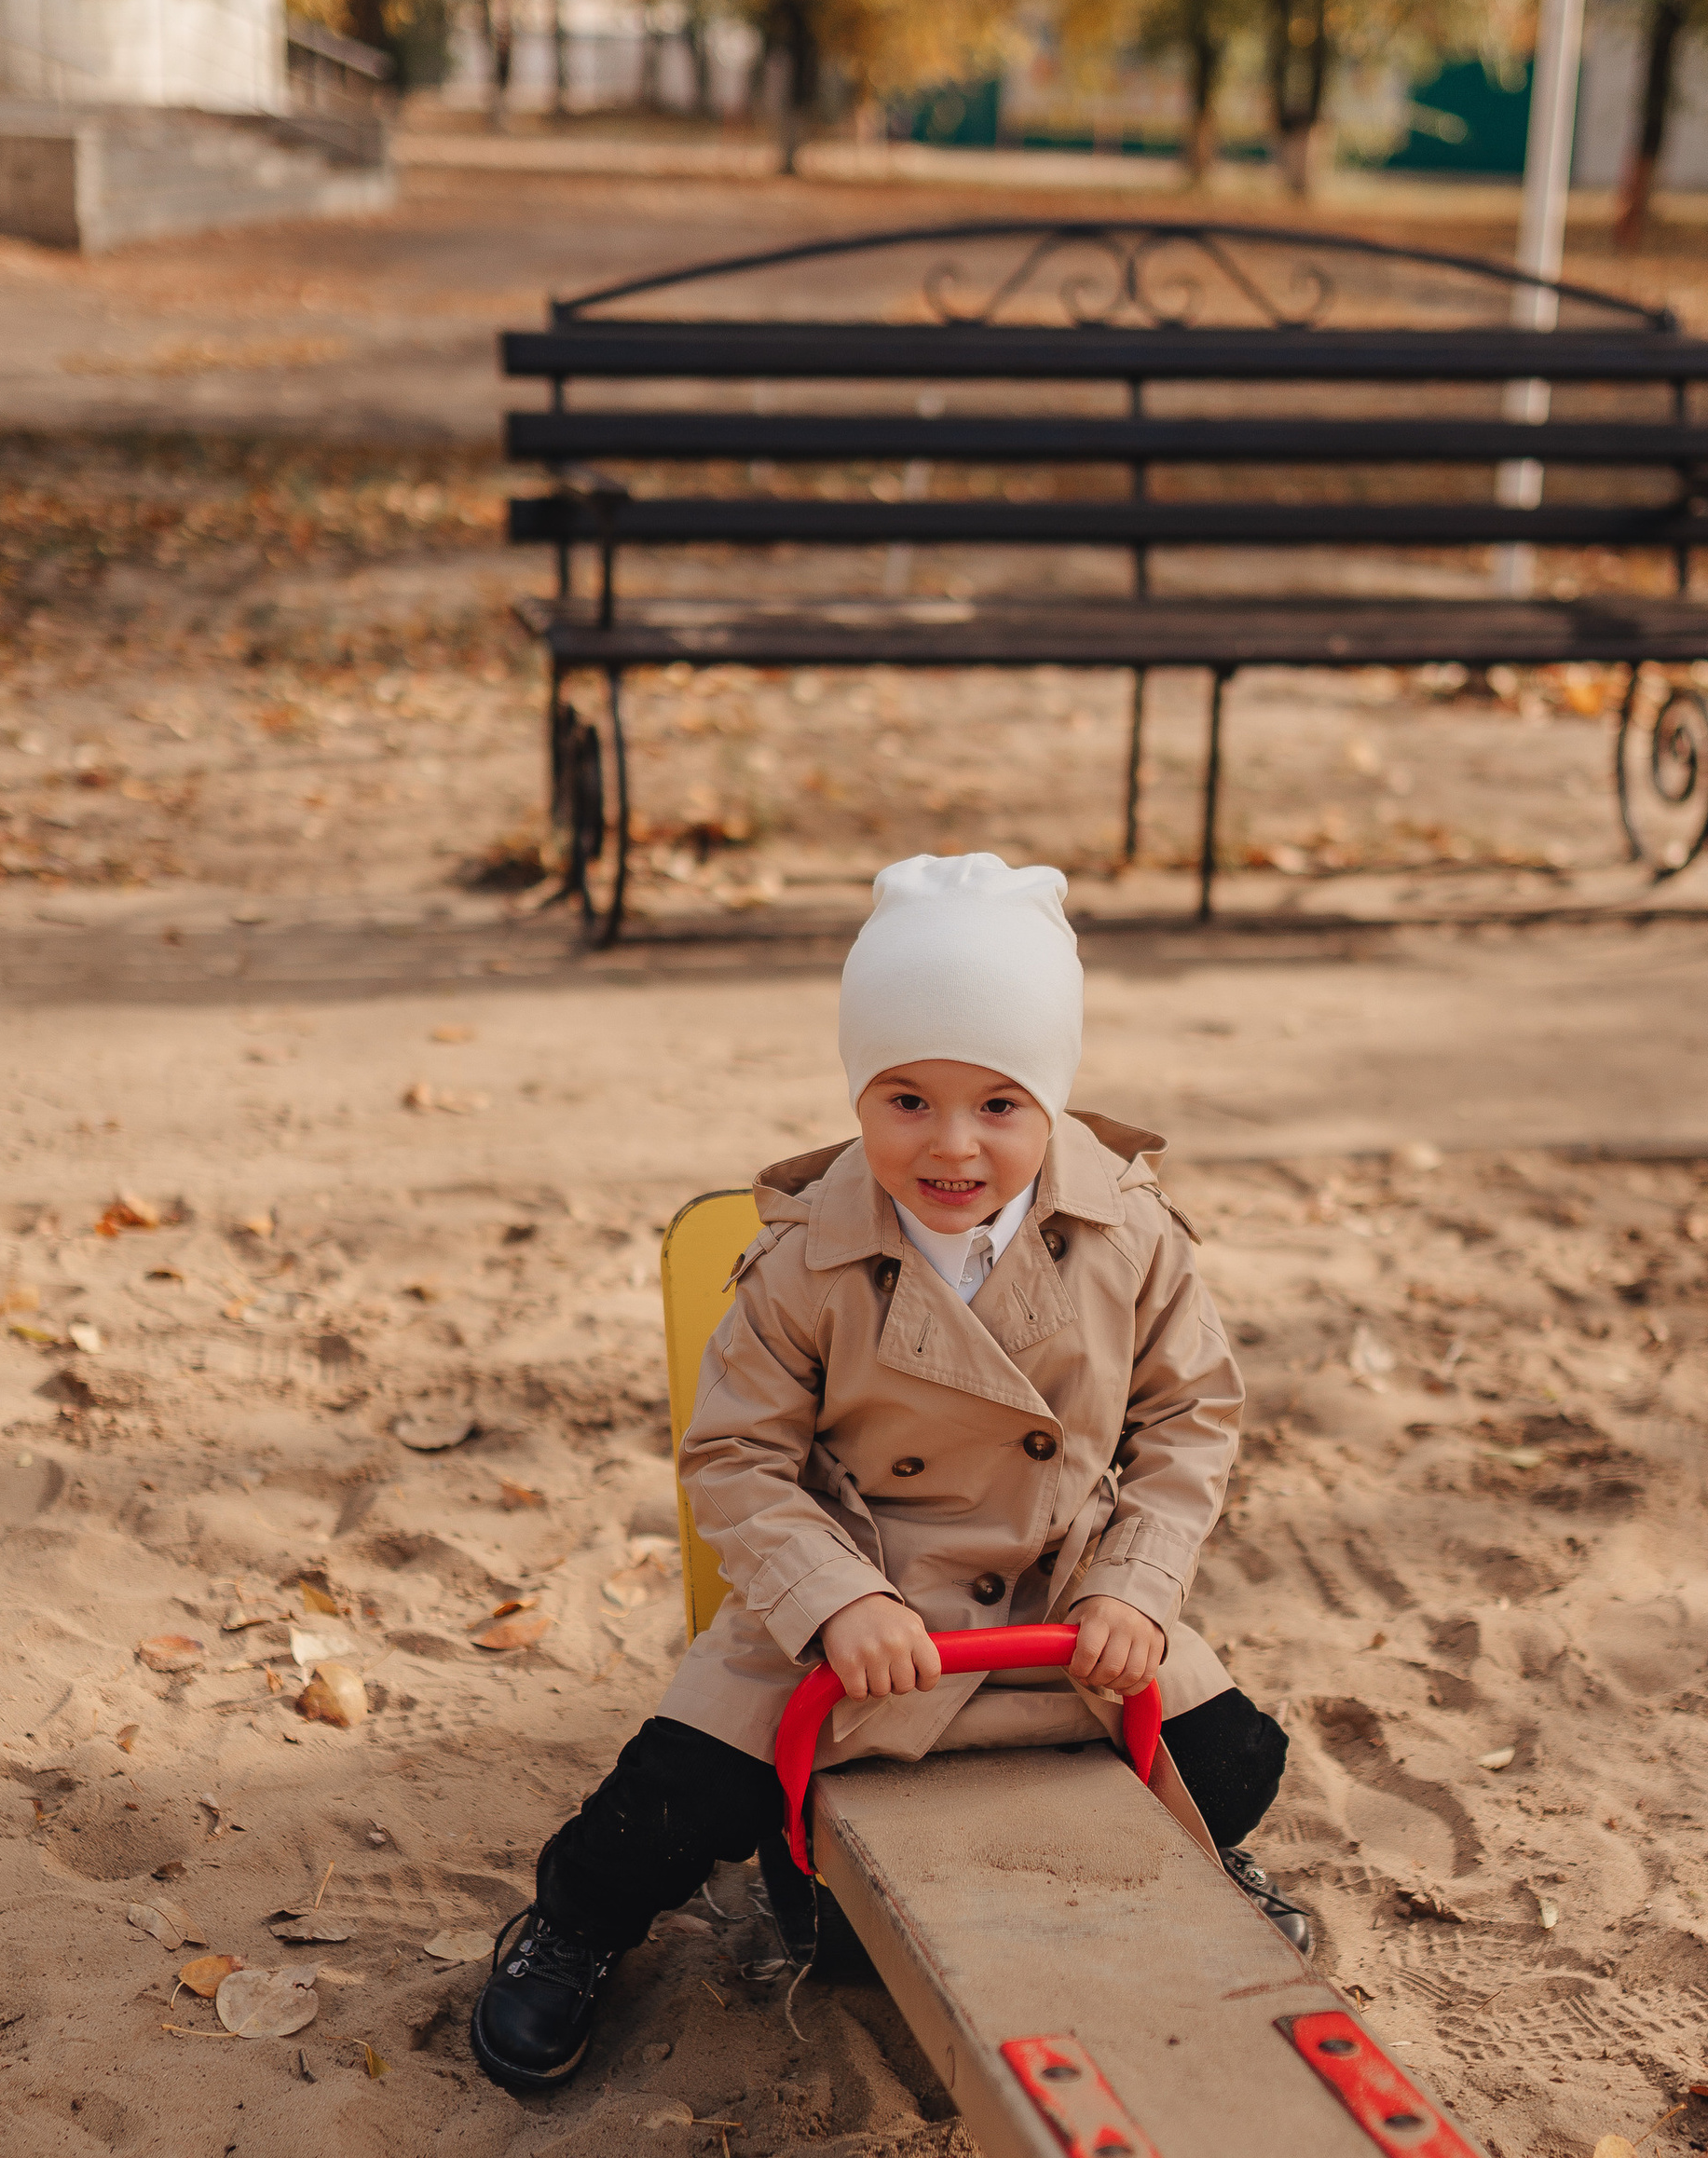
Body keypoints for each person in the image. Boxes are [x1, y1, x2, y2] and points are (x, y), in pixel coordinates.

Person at [471, 852, 1300, 2094]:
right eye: (907, 1099)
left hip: (1054, 1594)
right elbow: (739, 1457)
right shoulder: (809, 1254)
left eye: (1001, 1106)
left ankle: (1192, 1845)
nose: (952, 1145)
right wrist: (838, 1601)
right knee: (673, 1797)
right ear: (860, 1094)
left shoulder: (1128, 1232)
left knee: (1237, 1760)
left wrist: (1135, 1588)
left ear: (1054, 1100)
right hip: (859, 1596)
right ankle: (574, 1930)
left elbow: (1191, 1418)